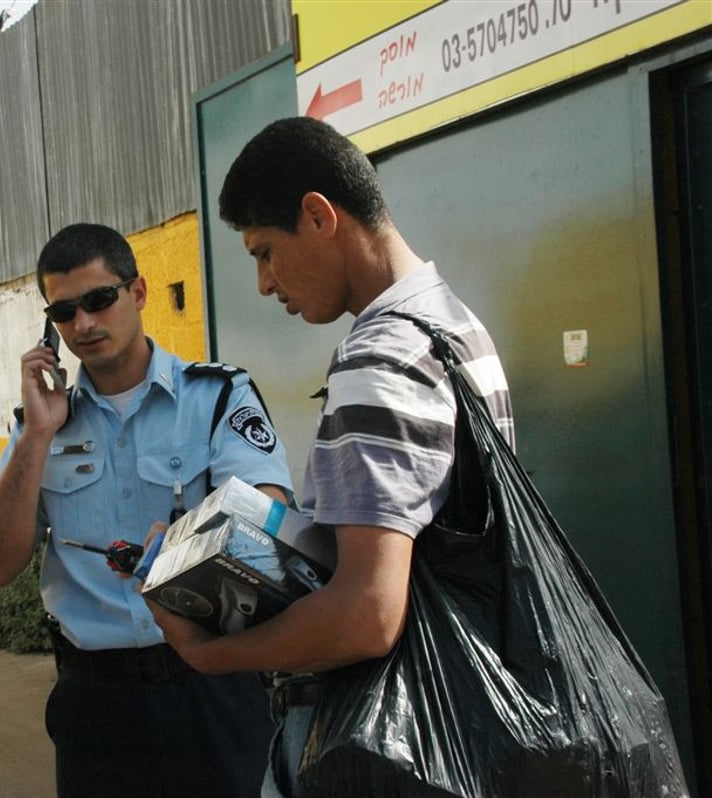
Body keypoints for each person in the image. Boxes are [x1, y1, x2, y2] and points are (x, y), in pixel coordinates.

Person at [145, 117, 515, 796]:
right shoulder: (452, 326)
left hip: (380, 742)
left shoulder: (379, 359)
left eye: (263, 252)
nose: (263, 283)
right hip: (456, 718)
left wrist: (210, 653)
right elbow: (439, 540)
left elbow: (366, 614)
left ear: (318, 216)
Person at [0, 222, 295, 798]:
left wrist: (180, 561)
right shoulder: (36, 428)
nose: (85, 324)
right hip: (98, 701)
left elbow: (266, 519)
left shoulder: (217, 396)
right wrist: (37, 438)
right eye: (65, 312)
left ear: (138, 292)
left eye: (99, 300)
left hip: (212, 682)